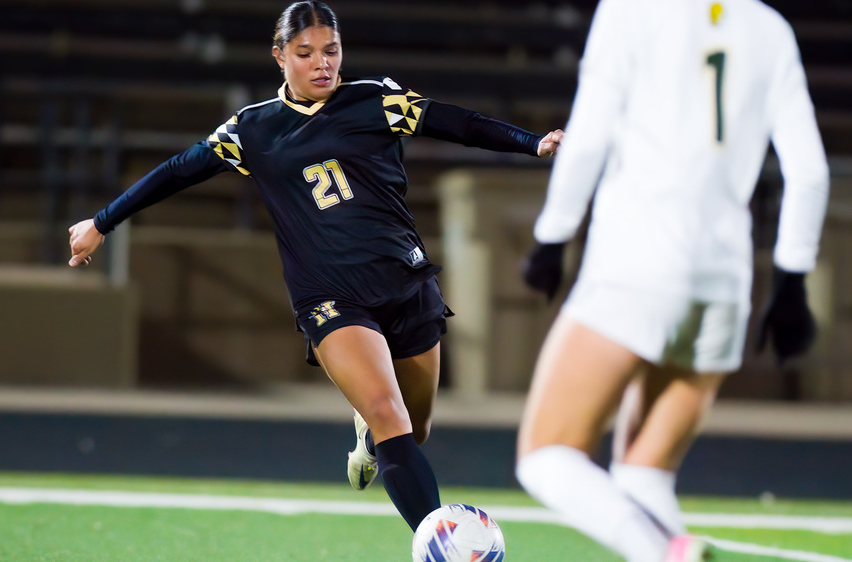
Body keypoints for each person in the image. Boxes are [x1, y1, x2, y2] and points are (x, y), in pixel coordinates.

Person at [67, 0, 562, 533]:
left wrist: (532, 142)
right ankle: (438, 543)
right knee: (390, 414)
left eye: (331, 51)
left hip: (405, 283)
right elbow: (177, 172)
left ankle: (369, 439)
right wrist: (101, 221)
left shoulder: (376, 101)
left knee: (410, 429)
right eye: (305, 53)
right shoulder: (252, 129)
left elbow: (459, 123)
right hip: (330, 296)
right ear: (279, 56)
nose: (322, 63)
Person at [516, 0, 829, 560]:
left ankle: (662, 552)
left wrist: (552, 236)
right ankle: (665, 549)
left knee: (546, 456)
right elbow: (809, 170)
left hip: (637, 261)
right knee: (645, 477)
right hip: (724, 282)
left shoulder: (632, 10)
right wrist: (792, 284)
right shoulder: (768, 27)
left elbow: (588, 134)